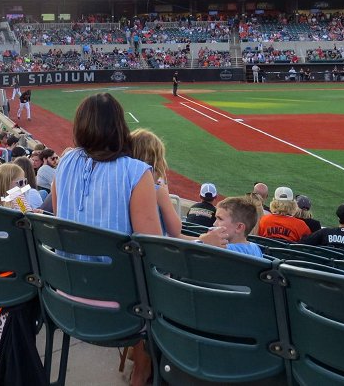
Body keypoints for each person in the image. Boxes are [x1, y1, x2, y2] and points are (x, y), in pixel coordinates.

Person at [52, 93, 226, 386]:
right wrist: (201, 243)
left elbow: (63, 224)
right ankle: (144, 372)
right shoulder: (137, 173)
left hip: (65, 294)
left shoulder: (66, 161)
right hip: (118, 305)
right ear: (119, 126)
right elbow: (154, 251)